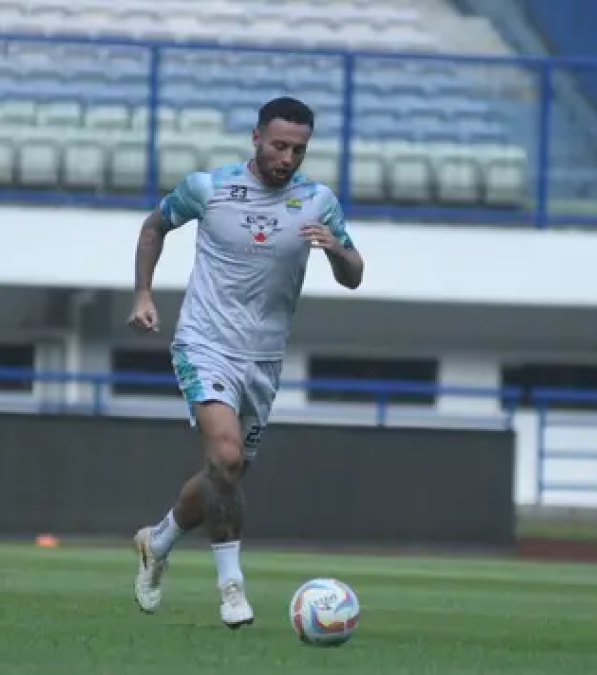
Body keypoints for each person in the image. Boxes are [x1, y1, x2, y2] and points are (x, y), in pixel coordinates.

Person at [125, 96, 365, 629]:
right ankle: (231, 588)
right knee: (227, 457)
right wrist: (143, 294)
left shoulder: (318, 201)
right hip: (204, 343)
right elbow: (152, 227)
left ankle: (157, 541)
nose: (288, 157)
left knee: (225, 474)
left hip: (264, 359)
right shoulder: (208, 189)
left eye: (298, 149)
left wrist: (335, 250)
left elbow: (354, 273)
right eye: (279, 145)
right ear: (256, 137)